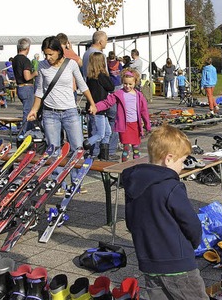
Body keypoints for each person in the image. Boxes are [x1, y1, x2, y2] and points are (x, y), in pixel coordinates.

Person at [121, 124, 208, 300]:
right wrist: (196, 241)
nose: (182, 167)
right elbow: (190, 222)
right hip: (178, 263)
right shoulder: (171, 187)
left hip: (149, 262)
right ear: (168, 159)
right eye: (182, 161)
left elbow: (131, 222)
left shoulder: (134, 184)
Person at [26, 36, 97, 193]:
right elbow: (39, 90)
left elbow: (82, 84)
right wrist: (34, 110)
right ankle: (57, 182)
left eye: (51, 54)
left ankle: (77, 181)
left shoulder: (70, 64)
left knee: (77, 147)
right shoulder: (43, 66)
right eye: (45, 54)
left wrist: (92, 103)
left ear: (59, 51)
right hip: (50, 113)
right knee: (54, 148)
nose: (48, 57)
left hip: (70, 112)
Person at [95, 68, 151, 162]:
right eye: (125, 83)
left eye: (130, 84)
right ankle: (125, 166)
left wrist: (147, 125)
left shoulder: (139, 95)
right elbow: (107, 102)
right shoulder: (119, 94)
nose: (127, 86)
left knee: (136, 147)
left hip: (135, 125)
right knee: (126, 147)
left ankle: (136, 165)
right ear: (122, 82)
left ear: (135, 83)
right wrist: (96, 107)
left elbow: (144, 111)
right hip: (125, 126)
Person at [83, 52, 114, 160]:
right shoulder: (101, 76)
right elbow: (111, 87)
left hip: (96, 108)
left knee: (108, 132)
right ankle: (85, 145)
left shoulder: (90, 77)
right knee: (100, 134)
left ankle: (103, 154)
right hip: (99, 108)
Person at [12, 37, 38, 132]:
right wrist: (35, 73)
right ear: (27, 48)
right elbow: (27, 77)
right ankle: (25, 132)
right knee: (28, 112)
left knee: (27, 110)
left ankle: (27, 131)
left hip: (19, 87)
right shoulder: (25, 60)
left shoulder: (15, 59)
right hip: (27, 87)